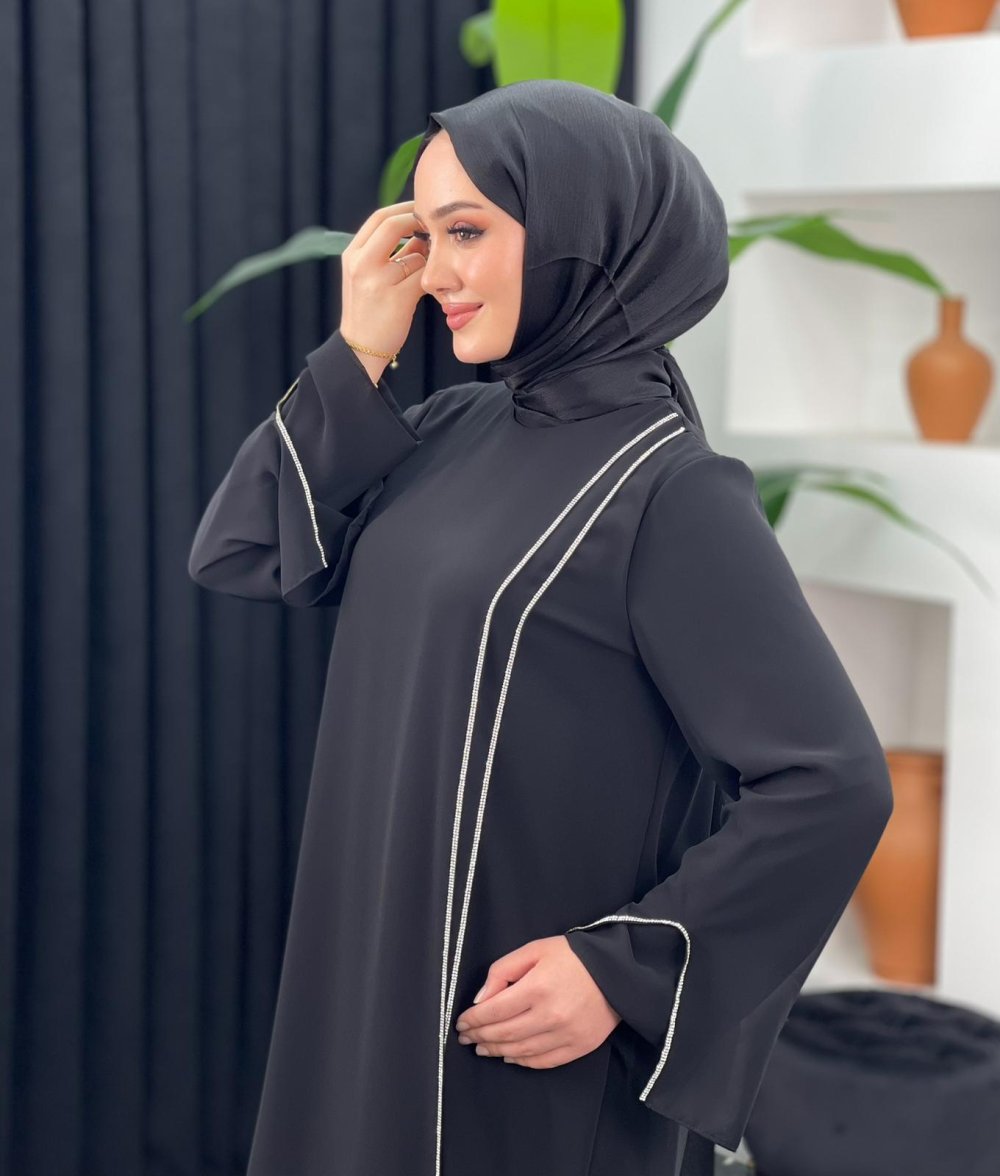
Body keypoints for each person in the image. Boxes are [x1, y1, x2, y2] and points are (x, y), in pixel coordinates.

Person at [188, 79, 893, 1176]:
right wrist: (359, 348)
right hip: (368, 969)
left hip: (509, 1037)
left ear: (582, 232)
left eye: (468, 231)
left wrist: (619, 971)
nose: (438, 271)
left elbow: (831, 781)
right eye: (424, 236)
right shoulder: (452, 427)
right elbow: (246, 549)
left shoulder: (669, 490)